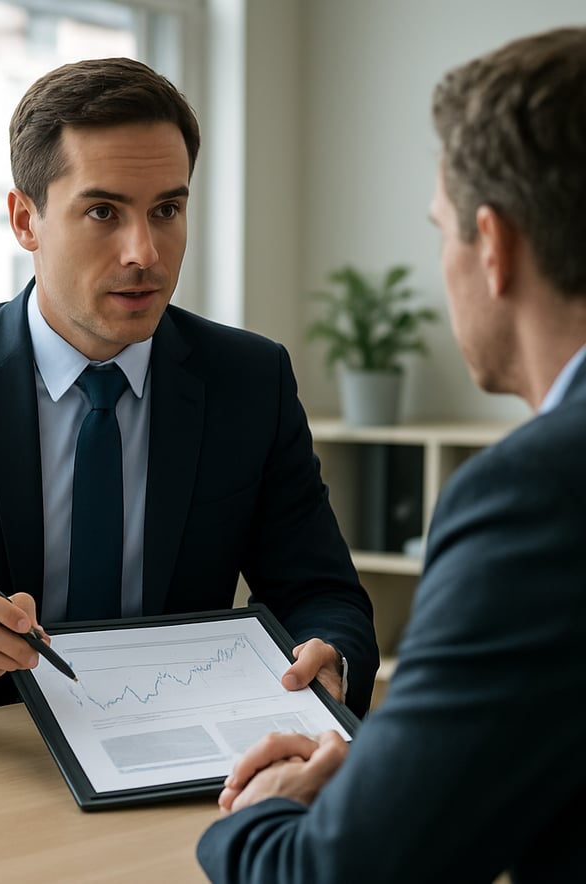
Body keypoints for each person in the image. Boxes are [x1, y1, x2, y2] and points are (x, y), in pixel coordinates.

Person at [0, 57, 378, 732]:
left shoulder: (250, 381)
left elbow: (323, 596)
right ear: (26, 220)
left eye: (167, 209)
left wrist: (331, 659)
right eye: (103, 211)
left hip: (188, 758)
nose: (144, 251)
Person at [197, 26, 586, 884]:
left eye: (441, 230)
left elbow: (341, 875)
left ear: (495, 247)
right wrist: (388, 766)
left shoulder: (535, 494)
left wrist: (258, 811)